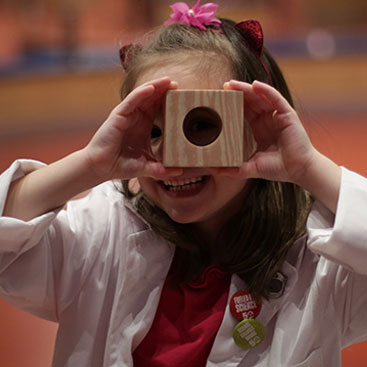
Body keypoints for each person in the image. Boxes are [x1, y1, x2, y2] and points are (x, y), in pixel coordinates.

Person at [0, 1, 366, 366]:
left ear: (253, 127)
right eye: (154, 130)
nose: (174, 160)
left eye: (202, 125)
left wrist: (307, 167)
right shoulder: (99, 233)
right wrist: (90, 165)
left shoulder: (322, 263)